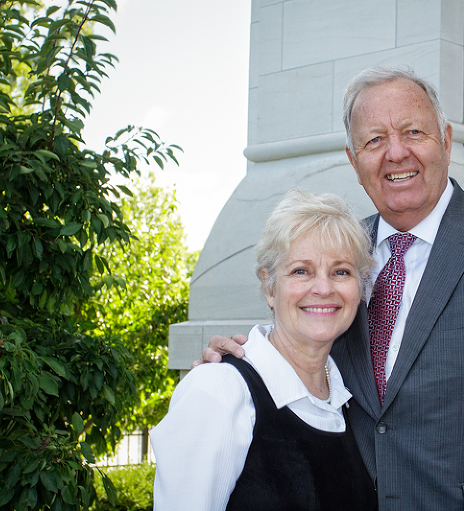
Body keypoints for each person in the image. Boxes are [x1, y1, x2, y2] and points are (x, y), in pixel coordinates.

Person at [199, 66, 464, 510]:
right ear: (354, 159)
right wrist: (236, 364)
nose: (396, 153)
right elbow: (301, 340)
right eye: (374, 140)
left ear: (444, 139)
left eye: (413, 132)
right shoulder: (343, 255)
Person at [151, 189, 378, 511]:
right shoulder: (221, 390)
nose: (324, 288)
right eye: (301, 270)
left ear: (360, 286)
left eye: (341, 271)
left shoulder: (346, 399)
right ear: (269, 286)